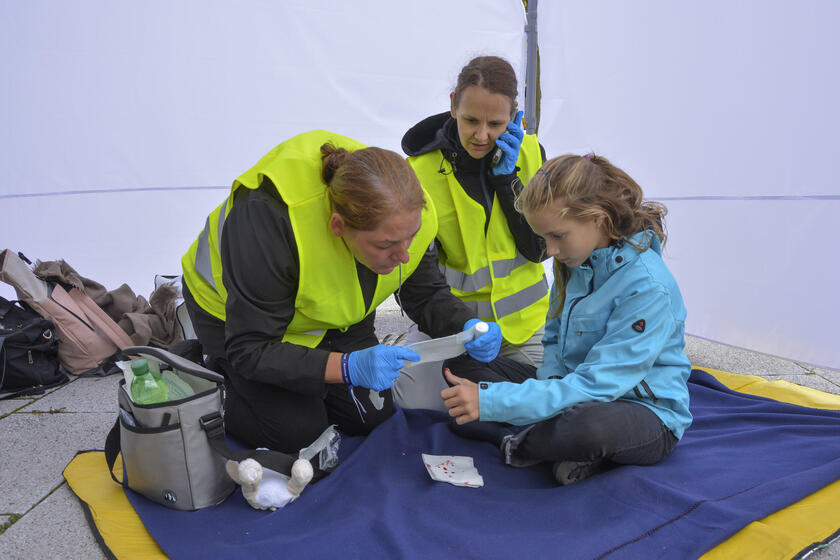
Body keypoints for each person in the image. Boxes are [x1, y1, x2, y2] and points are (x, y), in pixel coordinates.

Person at [180, 129, 502, 454]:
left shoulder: (407, 211)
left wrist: (465, 325)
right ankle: (207, 369)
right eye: (385, 245)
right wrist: (346, 367)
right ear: (338, 226)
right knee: (296, 433)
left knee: (371, 416)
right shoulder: (269, 219)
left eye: (411, 237)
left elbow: (425, 293)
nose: (404, 255)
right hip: (235, 319)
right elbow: (252, 349)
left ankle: (303, 387)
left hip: (327, 314)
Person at [440, 154, 692, 485]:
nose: (550, 250)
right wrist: (544, 390)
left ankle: (514, 442)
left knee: (587, 427)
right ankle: (549, 440)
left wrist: (492, 402)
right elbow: (554, 338)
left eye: (557, 235)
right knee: (460, 366)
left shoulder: (648, 286)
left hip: (642, 412)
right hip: (574, 390)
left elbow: (599, 385)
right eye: (544, 237)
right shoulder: (576, 260)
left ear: (597, 219)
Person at [393, 55, 549, 409]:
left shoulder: (531, 153)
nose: (482, 136)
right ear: (453, 106)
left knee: (546, 400)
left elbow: (540, 248)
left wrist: (507, 182)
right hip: (452, 329)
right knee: (412, 402)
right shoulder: (417, 173)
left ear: (515, 114)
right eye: (471, 120)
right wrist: (463, 327)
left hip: (526, 329)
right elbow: (415, 282)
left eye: (496, 124)